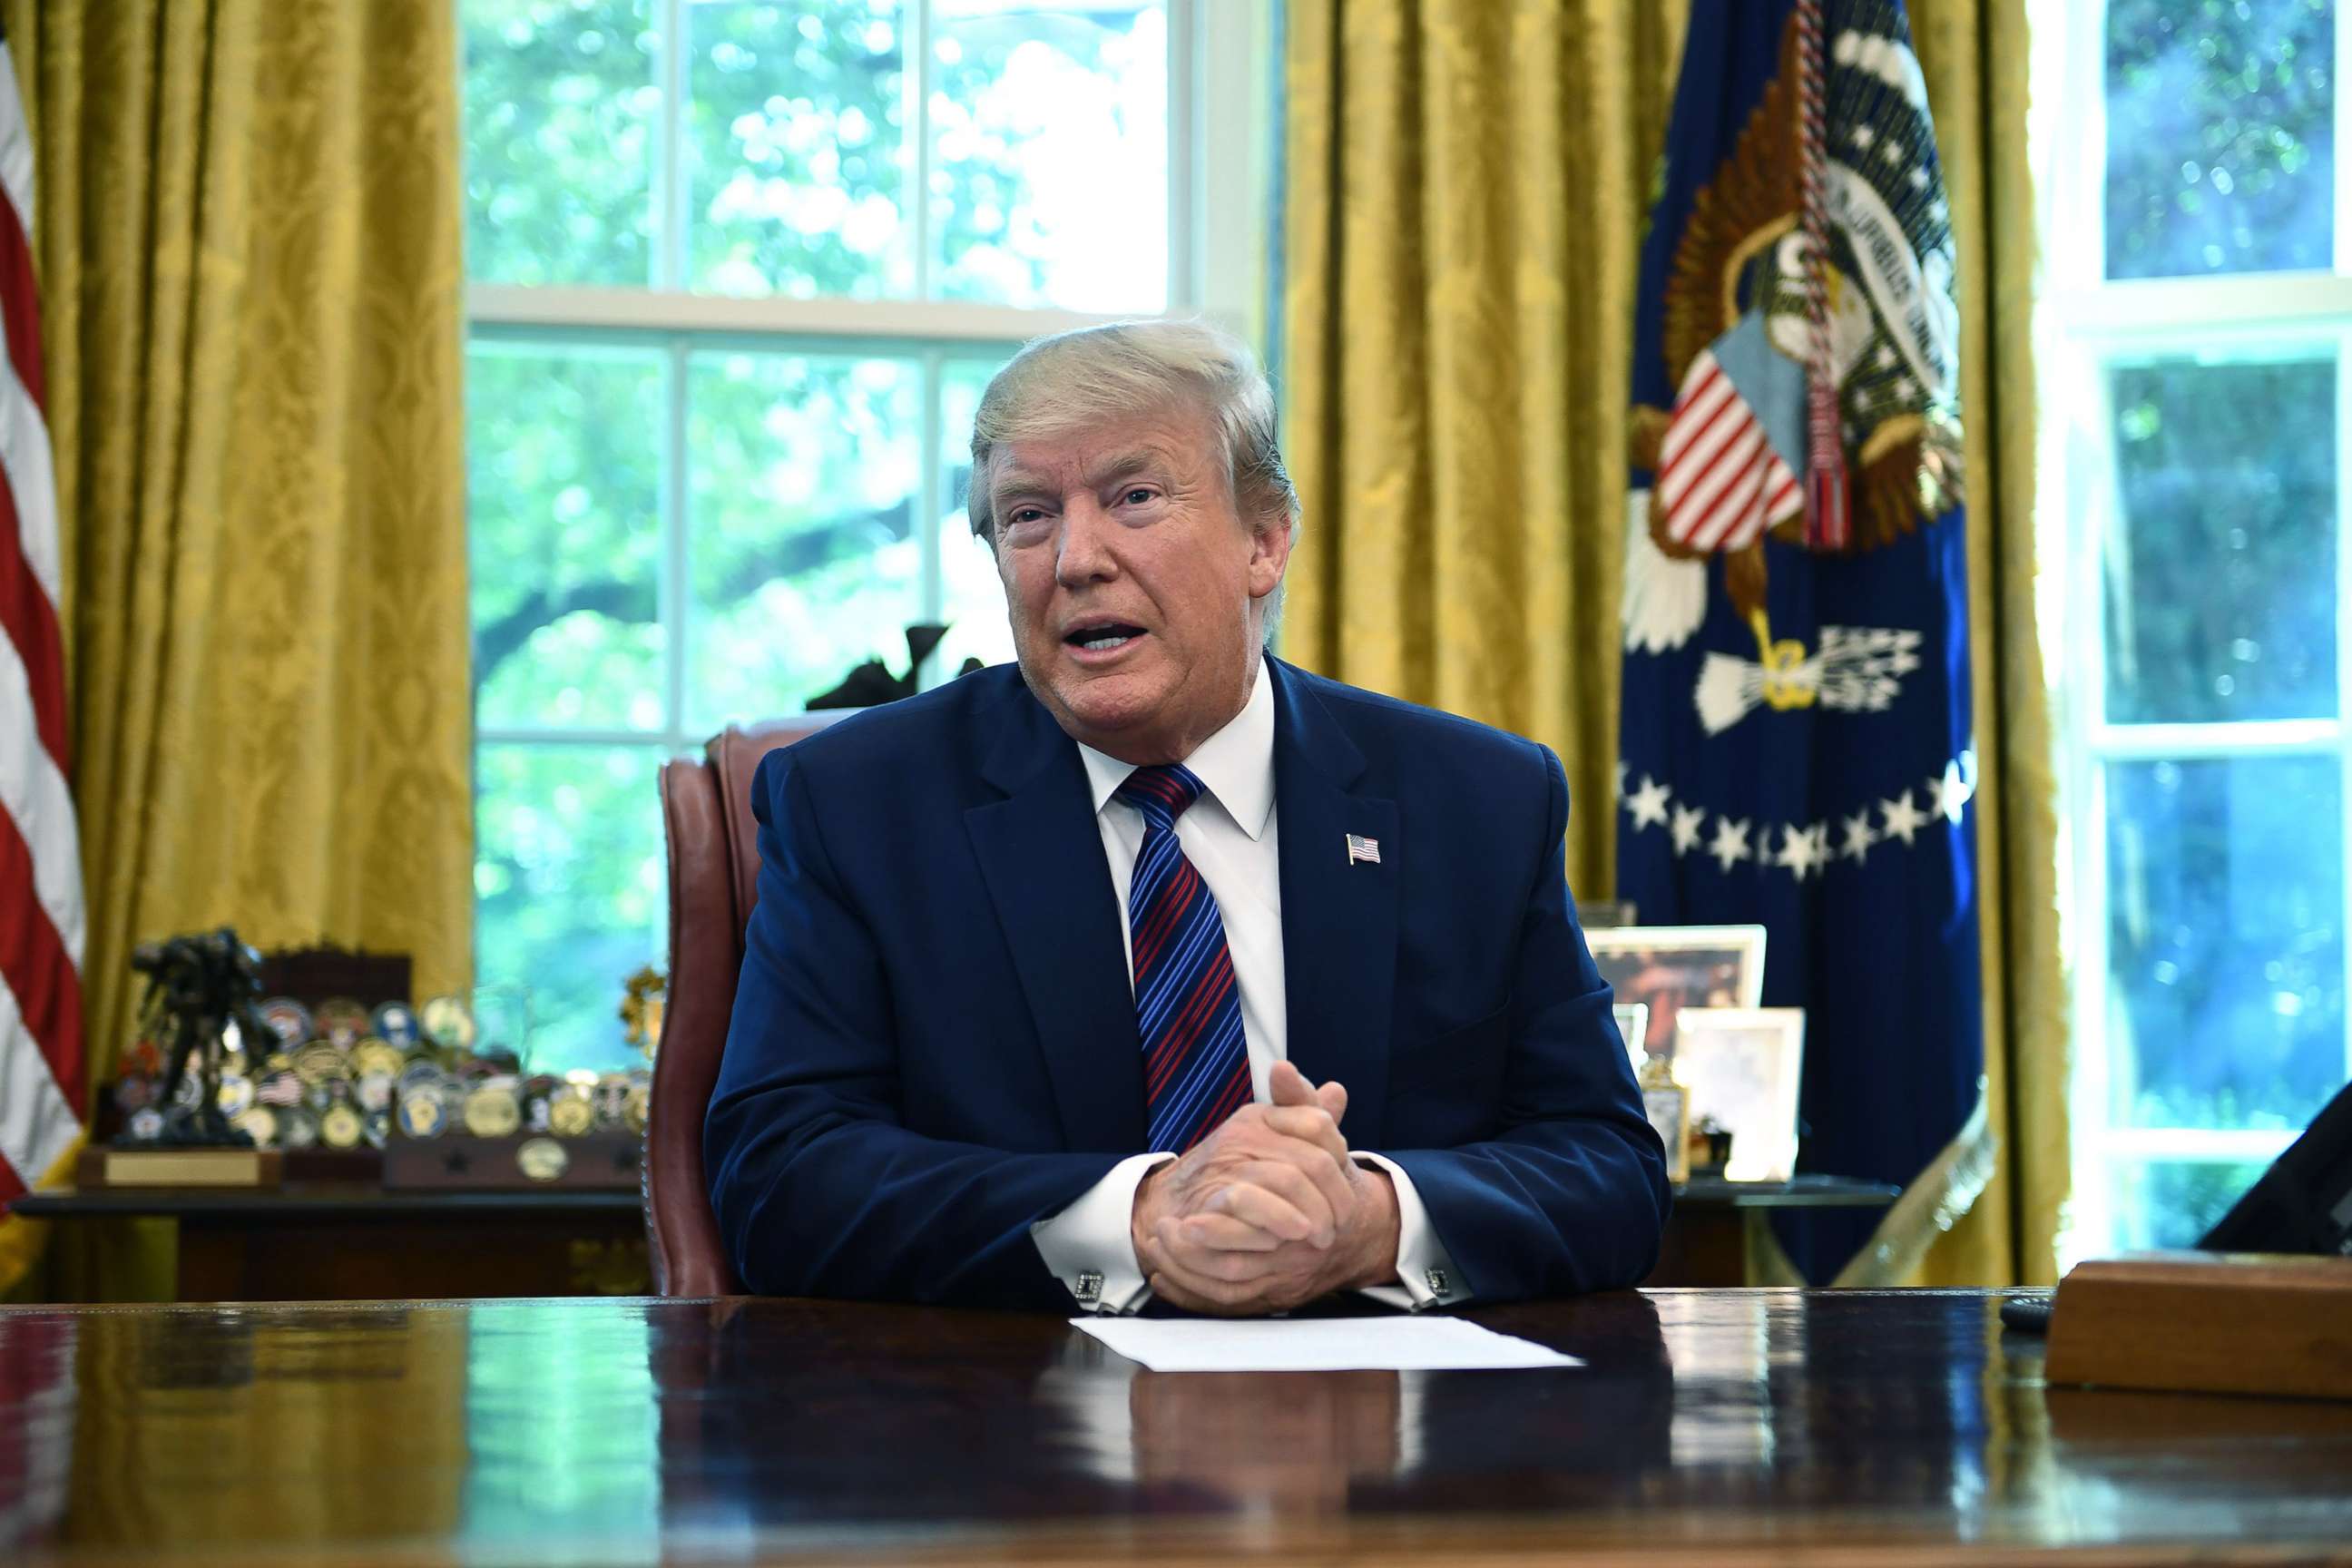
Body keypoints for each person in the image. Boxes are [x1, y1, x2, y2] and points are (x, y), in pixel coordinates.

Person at [705, 320, 1669, 1315]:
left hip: (1388, 1429)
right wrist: (1137, 1216)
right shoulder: (860, 803)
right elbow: (780, 1177)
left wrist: (1371, 1221)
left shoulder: (1477, 802)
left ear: (1265, 540)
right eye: (1028, 516)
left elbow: (1607, 1168)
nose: (1077, 558)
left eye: (1135, 498)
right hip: (1007, 1426)